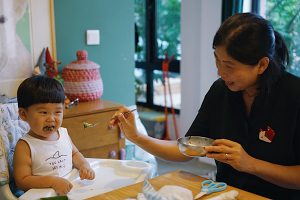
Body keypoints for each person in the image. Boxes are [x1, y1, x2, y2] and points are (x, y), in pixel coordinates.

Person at [109, 13, 300, 199]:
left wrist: (250, 164)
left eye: (229, 65)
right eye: (217, 60)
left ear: (262, 65)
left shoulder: (293, 96)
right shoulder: (221, 91)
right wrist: (136, 136)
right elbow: (186, 150)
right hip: (226, 193)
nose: (220, 72)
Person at [13, 75, 95, 196]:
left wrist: (84, 165)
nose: (51, 119)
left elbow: (74, 154)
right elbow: (22, 181)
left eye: (57, 112)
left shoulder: (63, 133)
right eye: (43, 112)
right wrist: (52, 182)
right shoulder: (25, 146)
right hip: (43, 194)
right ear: (24, 114)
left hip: (71, 188)